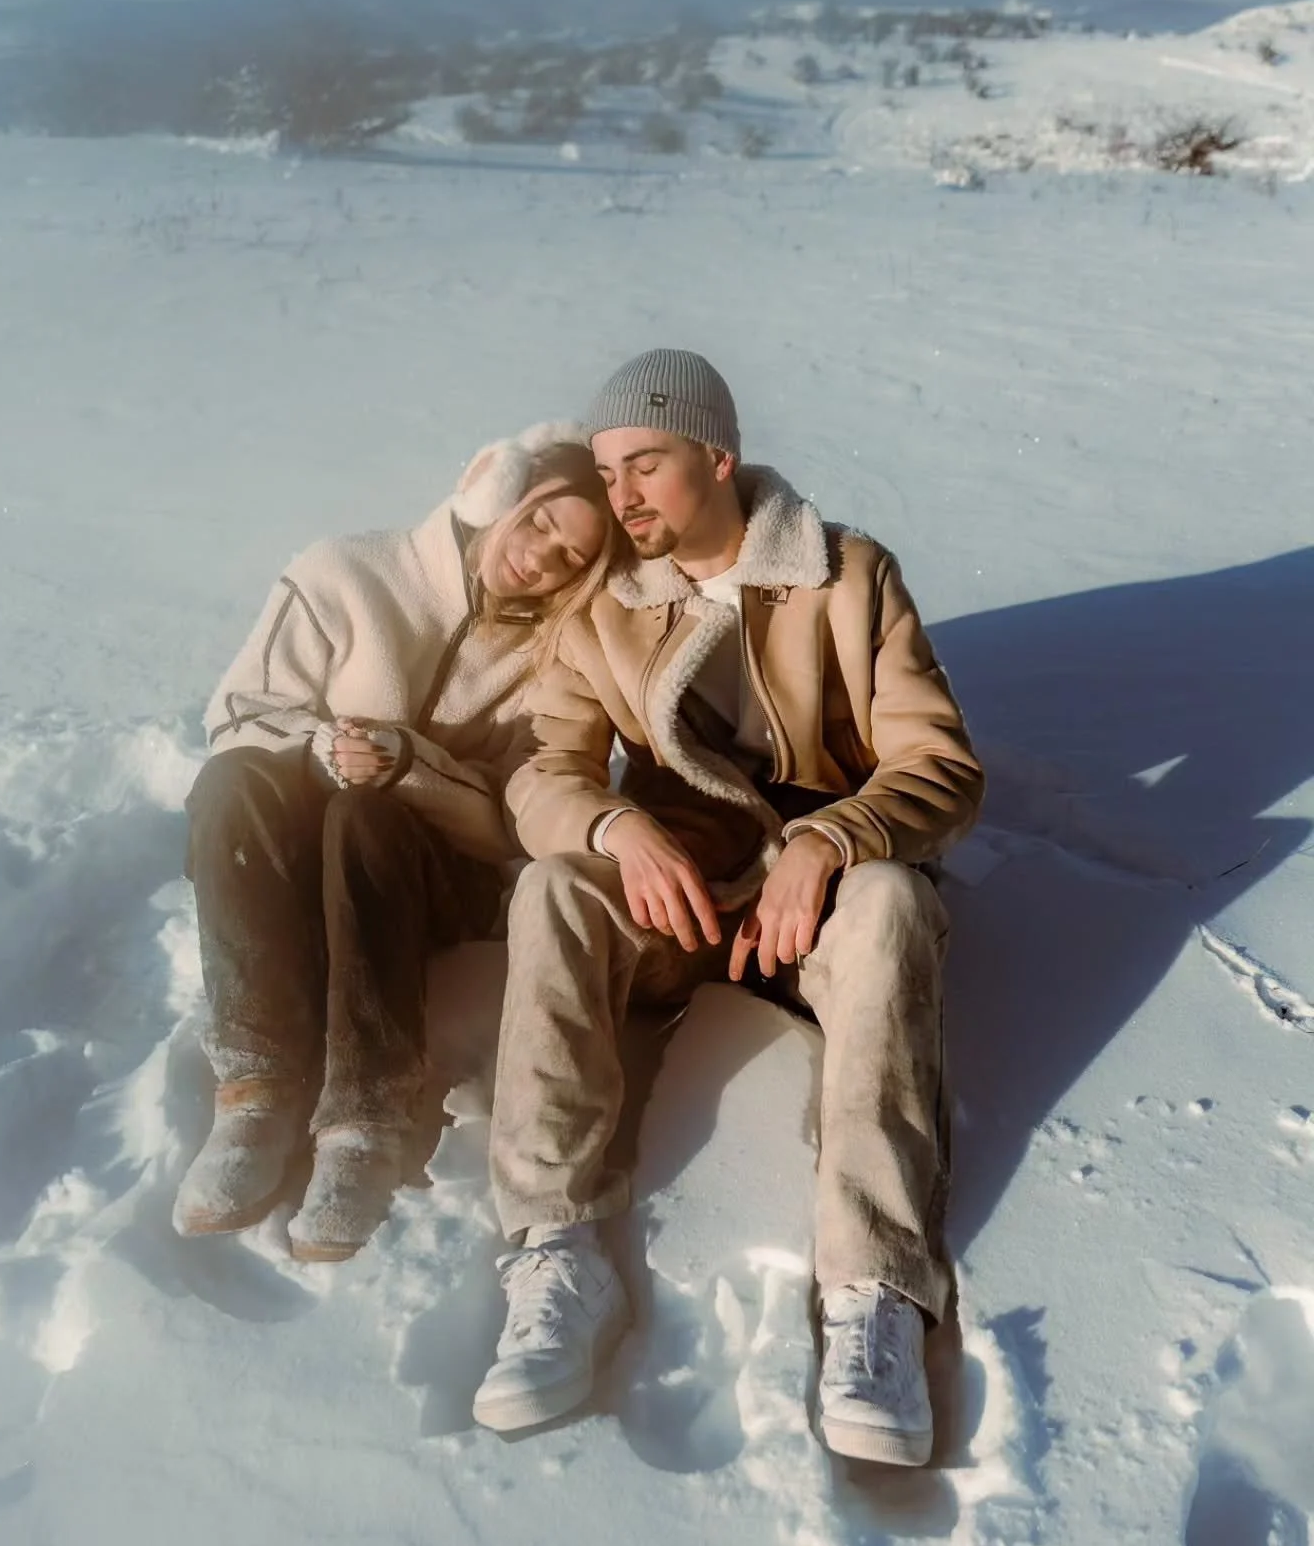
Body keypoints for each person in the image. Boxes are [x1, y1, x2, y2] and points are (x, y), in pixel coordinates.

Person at [471, 351, 984, 1465]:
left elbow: (940, 764)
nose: (623, 499)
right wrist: (617, 826)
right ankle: (556, 1252)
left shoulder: (848, 577)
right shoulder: (604, 608)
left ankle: (874, 1298)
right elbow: (541, 773)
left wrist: (832, 838)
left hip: (824, 901)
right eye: (607, 475)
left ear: (716, 454)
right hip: (686, 896)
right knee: (554, 888)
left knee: (895, 902)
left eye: (644, 465)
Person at [175, 425, 623, 1261]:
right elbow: (237, 717)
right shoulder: (345, 573)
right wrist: (318, 754)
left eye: (571, 557)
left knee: (371, 815)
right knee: (232, 786)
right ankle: (257, 1087)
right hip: (293, 864)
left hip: (427, 881)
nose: (543, 560)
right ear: (502, 499)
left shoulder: (554, 656)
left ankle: (365, 1116)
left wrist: (412, 769)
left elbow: (512, 821)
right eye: (539, 525)